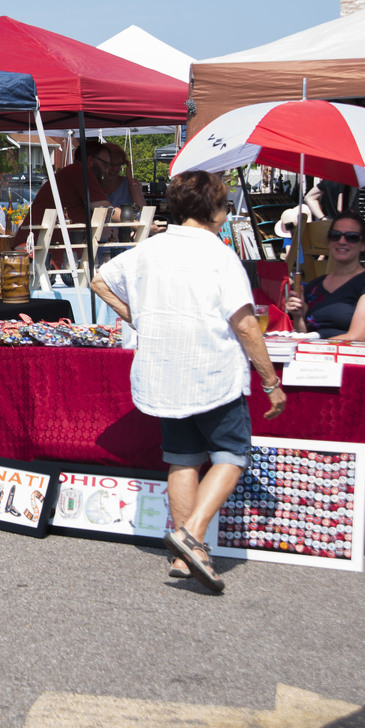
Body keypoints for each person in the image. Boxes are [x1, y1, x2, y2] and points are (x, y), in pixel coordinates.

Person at [91, 171, 287, 593]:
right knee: (232, 454)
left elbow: (99, 280)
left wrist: (138, 317)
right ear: (214, 209)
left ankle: (186, 556)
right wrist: (271, 381)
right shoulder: (219, 255)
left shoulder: (150, 249)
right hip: (211, 369)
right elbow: (245, 324)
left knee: (183, 458)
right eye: (224, 206)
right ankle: (192, 535)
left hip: (166, 370)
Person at [283, 210, 365, 340]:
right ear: (329, 241)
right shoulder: (313, 287)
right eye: (335, 235)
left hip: (352, 352)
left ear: (363, 245)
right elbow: (304, 335)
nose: (342, 241)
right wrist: (298, 317)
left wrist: (312, 345)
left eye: (351, 237)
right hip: (315, 351)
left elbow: (357, 338)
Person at [11, 141, 144, 247]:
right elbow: (105, 209)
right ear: (91, 160)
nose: (106, 170)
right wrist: (140, 226)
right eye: (105, 165)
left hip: (41, 246)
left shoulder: (73, 172)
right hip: (38, 248)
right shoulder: (80, 172)